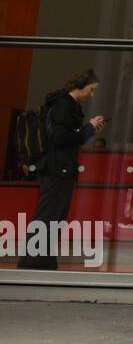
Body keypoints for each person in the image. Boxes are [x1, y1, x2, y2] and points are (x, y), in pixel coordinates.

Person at [18, 69, 105, 269]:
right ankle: (31, 265)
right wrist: (88, 129)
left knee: (52, 218)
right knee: (49, 217)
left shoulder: (64, 105)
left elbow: (65, 138)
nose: (91, 95)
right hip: (57, 169)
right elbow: (59, 138)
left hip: (58, 168)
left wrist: (88, 131)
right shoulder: (64, 105)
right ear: (80, 85)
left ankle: (42, 263)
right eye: (91, 90)